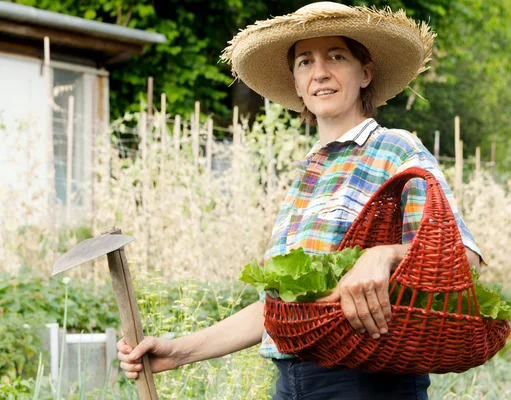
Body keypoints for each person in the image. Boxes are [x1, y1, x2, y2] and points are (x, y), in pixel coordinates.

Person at [117, 2, 483, 399]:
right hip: (291, 384)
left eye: (336, 57)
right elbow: (278, 310)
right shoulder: (307, 175)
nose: (320, 73)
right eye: (305, 62)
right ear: (295, 82)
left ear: (365, 72)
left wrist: (384, 255)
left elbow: (465, 260)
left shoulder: (395, 150)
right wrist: (178, 351)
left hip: (365, 382)